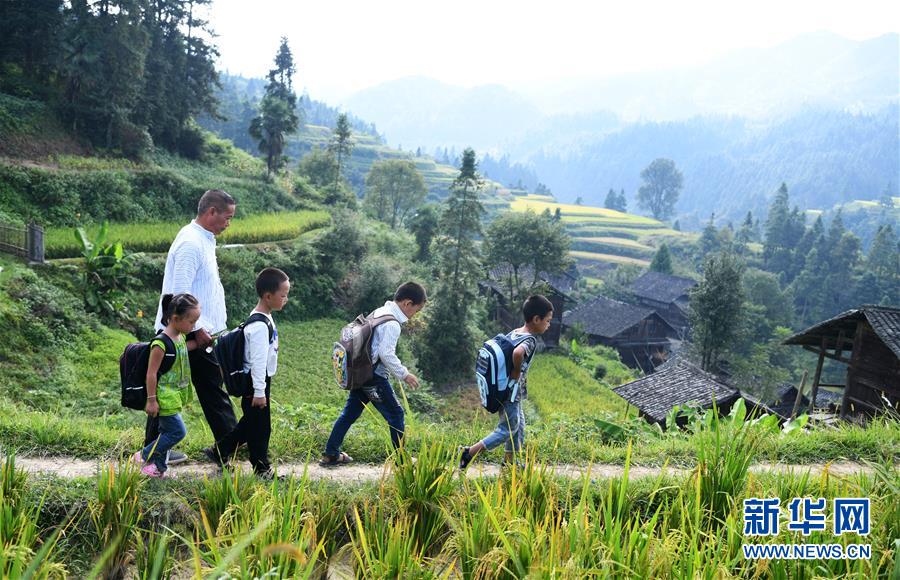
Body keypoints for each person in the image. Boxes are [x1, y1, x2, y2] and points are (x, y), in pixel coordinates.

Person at [147, 189, 237, 465]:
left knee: (180, 391)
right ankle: (229, 447)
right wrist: (196, 331)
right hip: (189, 336)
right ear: (211, 212)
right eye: (227, 217)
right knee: (213, 392)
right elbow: (179, 294)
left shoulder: (203, 239)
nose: (228, 223)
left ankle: (154, 451)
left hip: (195, 333)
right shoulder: (191, 243)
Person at [319, 282, 427, 467]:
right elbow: (386, 354)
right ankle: (402, 461)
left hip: (361, 372)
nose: (413, 315)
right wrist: (404, 374)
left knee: (349, 414)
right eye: (416, 311)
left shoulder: (380, 312)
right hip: (374, 377)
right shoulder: (392, 323)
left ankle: (331, 453)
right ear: (407, 303)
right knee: (396, 414)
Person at [458, 295, 554, 470]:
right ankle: (469, 452)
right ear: (536, 319)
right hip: (510, 392)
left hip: (507, 390)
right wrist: (516, 372)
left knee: (518, 427)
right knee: (507, 429)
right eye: (547, 321)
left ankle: (510, 463)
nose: (549, 325)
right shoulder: (530, 340)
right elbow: (517, 354)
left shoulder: (516, 332)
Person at [213, 268, 289, 478]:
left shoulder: (264, 318)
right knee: (260, 428)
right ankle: (260, 468)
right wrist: (258, 391)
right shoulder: (259, 326)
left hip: (259, 381)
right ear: (268, 296)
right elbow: (257, 362)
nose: (286, 299)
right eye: (283, 295)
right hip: (254, 381)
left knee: (253, 425)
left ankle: (221, 451)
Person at [133, 293, 200, 478]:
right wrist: (151, 400)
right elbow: (151, 373)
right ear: (176, 318)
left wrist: (202, 343)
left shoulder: (180, 338)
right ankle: (143, 455)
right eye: (191, 322)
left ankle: (157, 469)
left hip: (174, 395)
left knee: (165, 433)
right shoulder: (160, 343)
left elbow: (182, 350)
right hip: (163, 396)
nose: (193, 326)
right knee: (177, 432)